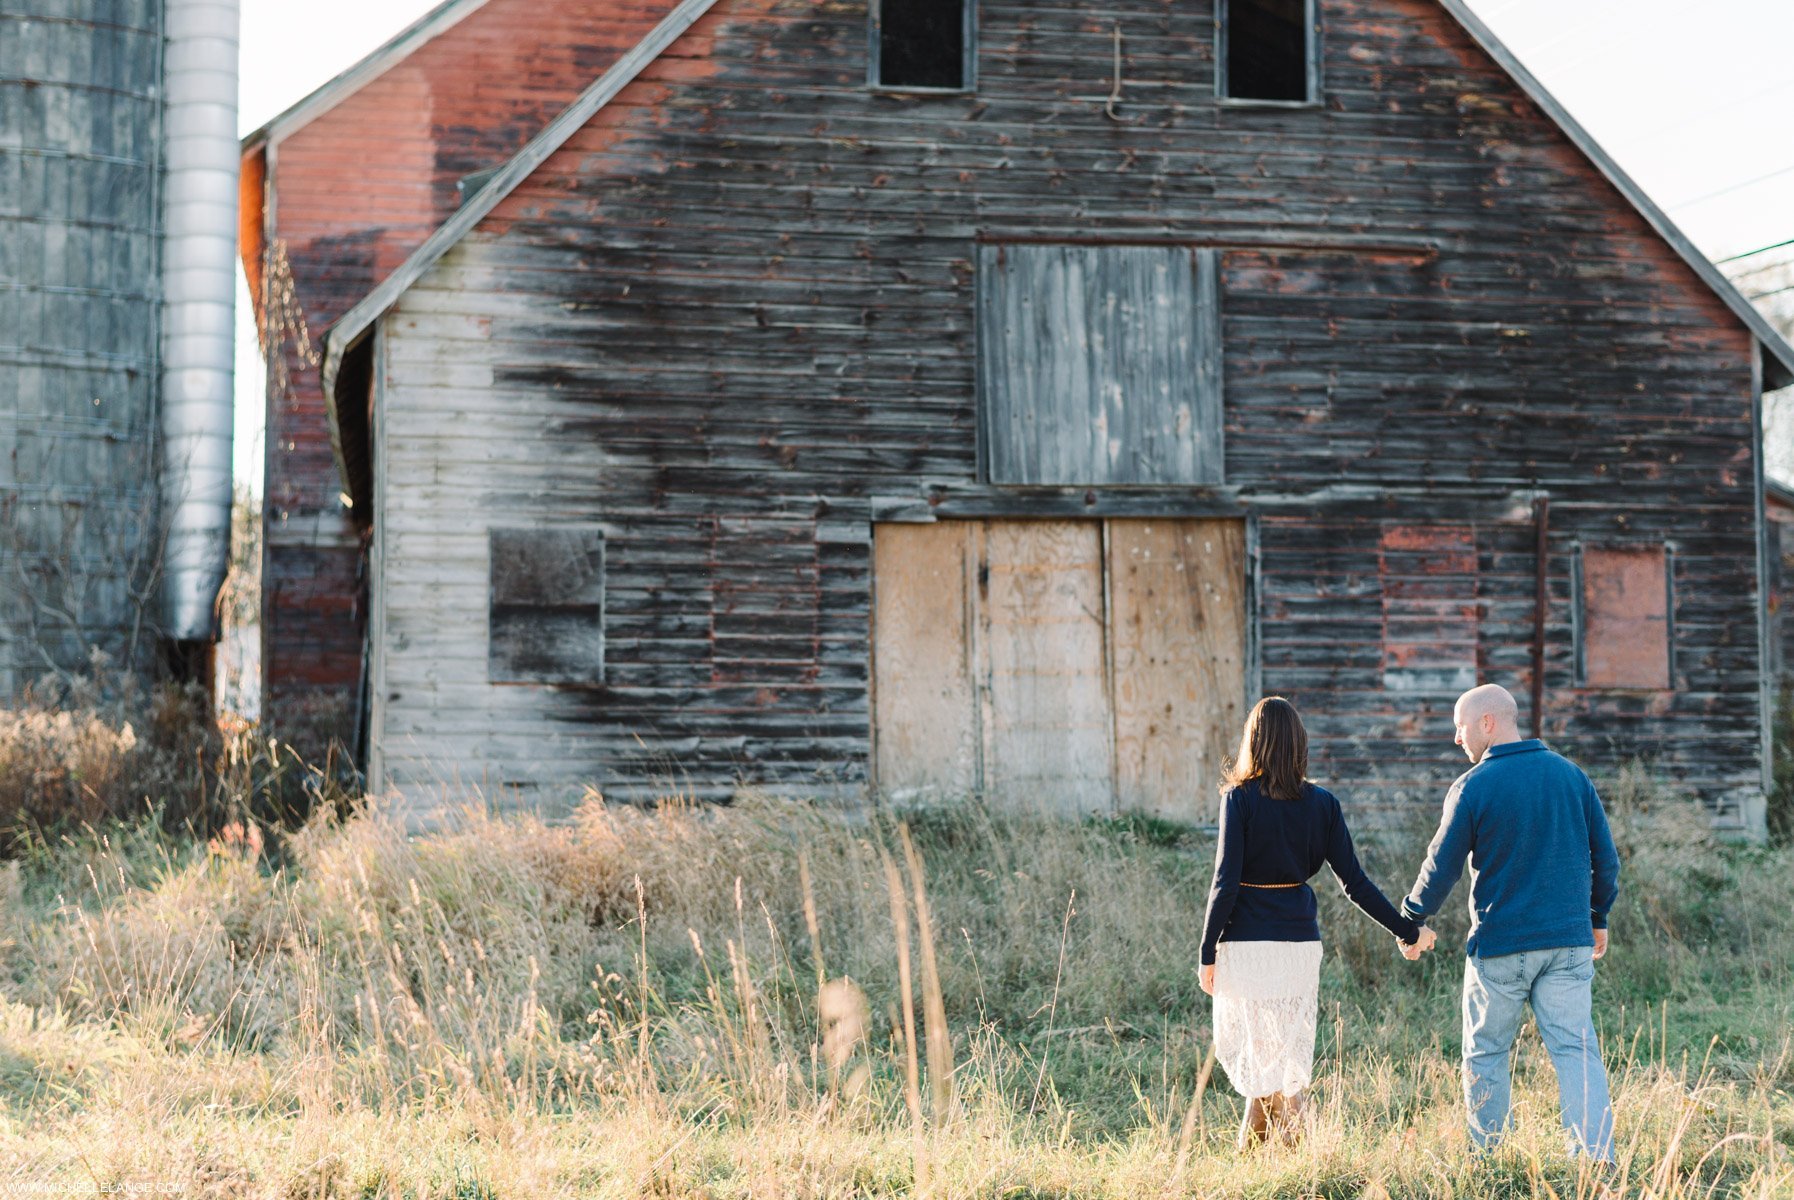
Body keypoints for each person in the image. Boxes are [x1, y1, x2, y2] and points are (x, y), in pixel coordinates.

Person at [1199, 696, 1435, 1150]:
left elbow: (1224, 882)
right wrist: (1407, 930)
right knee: (1279, 1056)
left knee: (1270, 1062)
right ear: (1299, 745)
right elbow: (1356, 884)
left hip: (1247, 947)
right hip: (1298, 947)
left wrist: (1207, 953)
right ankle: (1264, 1162)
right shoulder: (1323, 804)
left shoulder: (1239, 800)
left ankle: (1293, 1159)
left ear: (1254, 742)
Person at [1399, 683, 1621, 1165]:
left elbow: (1442, 866)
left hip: (1501, 947)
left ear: (1487, 723)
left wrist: (1412, 919)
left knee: (1486, 1053)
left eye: (1460, 727)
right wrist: (1597, 917)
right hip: (1568, 943)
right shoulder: (1571, 777)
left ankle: (1489, 1161)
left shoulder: (1473, 787)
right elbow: (1606, 859)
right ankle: (1596, 1162)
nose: (1456, 739)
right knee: (1576, 1050)